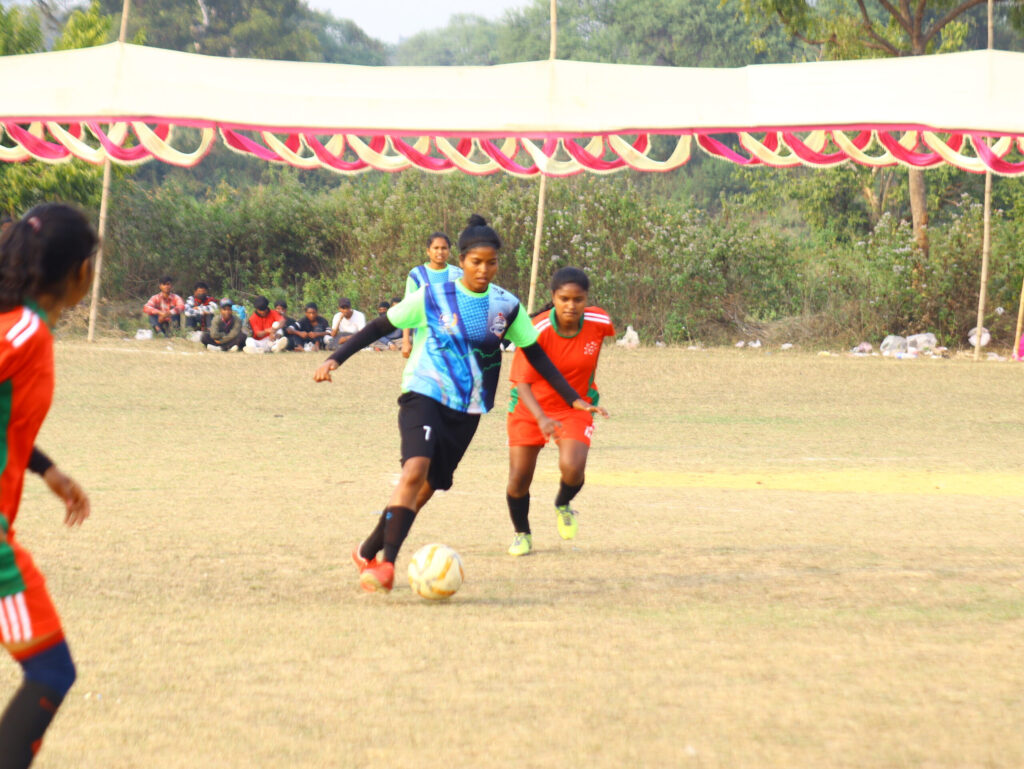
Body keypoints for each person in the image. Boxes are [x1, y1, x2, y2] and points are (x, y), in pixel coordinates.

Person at [313, 214, 606, 593]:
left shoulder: (506, 306)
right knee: (415, 470)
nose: (483, 269)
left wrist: (573, 399)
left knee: (426, 487)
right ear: (462, 261)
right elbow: (380, 326)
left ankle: (368, 548)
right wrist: (335, 357)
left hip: (468, 410)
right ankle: (387, 564)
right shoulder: (433, 296)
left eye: (491, 262)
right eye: (475, 261)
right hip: (423, 393)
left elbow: (536, 354)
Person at [0, 204, 96, 768]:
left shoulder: (16, 322)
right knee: (51, 669)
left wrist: (44, 469)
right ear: (80, 273)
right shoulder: (29, 330)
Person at [504, 267, 615, 556]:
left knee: (573, 467)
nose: (571, 305)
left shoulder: (600, 321)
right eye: (564, 298)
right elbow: (523, 383)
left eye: (578, 299)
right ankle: (522, 534)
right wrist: (541, 418)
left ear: (586, 298)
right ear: (553, 297)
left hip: (576, 405)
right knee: (518, 480)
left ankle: (563, 505)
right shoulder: (536, 329)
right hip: (531, 408)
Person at [401, 232, 463, 358]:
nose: (440, 252)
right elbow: (408, 307)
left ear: (449, 251)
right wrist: (406, 340)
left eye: (444, 248)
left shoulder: (457, 274)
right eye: (436, 248)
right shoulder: (416, 274)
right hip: (424, 339)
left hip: (452, 339)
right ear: (428, 251)